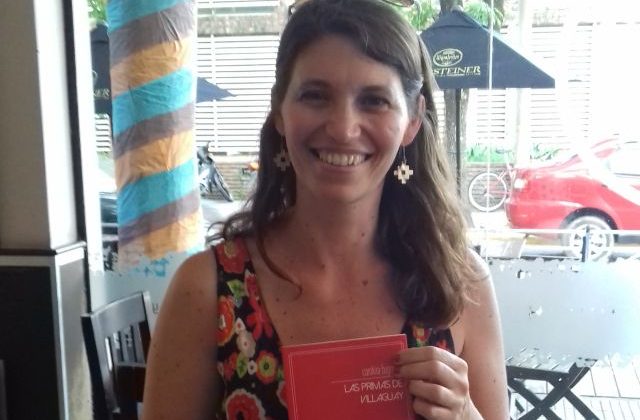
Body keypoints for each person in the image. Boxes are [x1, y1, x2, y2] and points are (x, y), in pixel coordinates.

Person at [142, 0, 509, 418]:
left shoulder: (462, 283)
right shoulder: (208, 288)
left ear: (412, 119)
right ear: (280, 111)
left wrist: (466, 415)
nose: (342, 129)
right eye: (315, 96)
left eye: (374, 100)